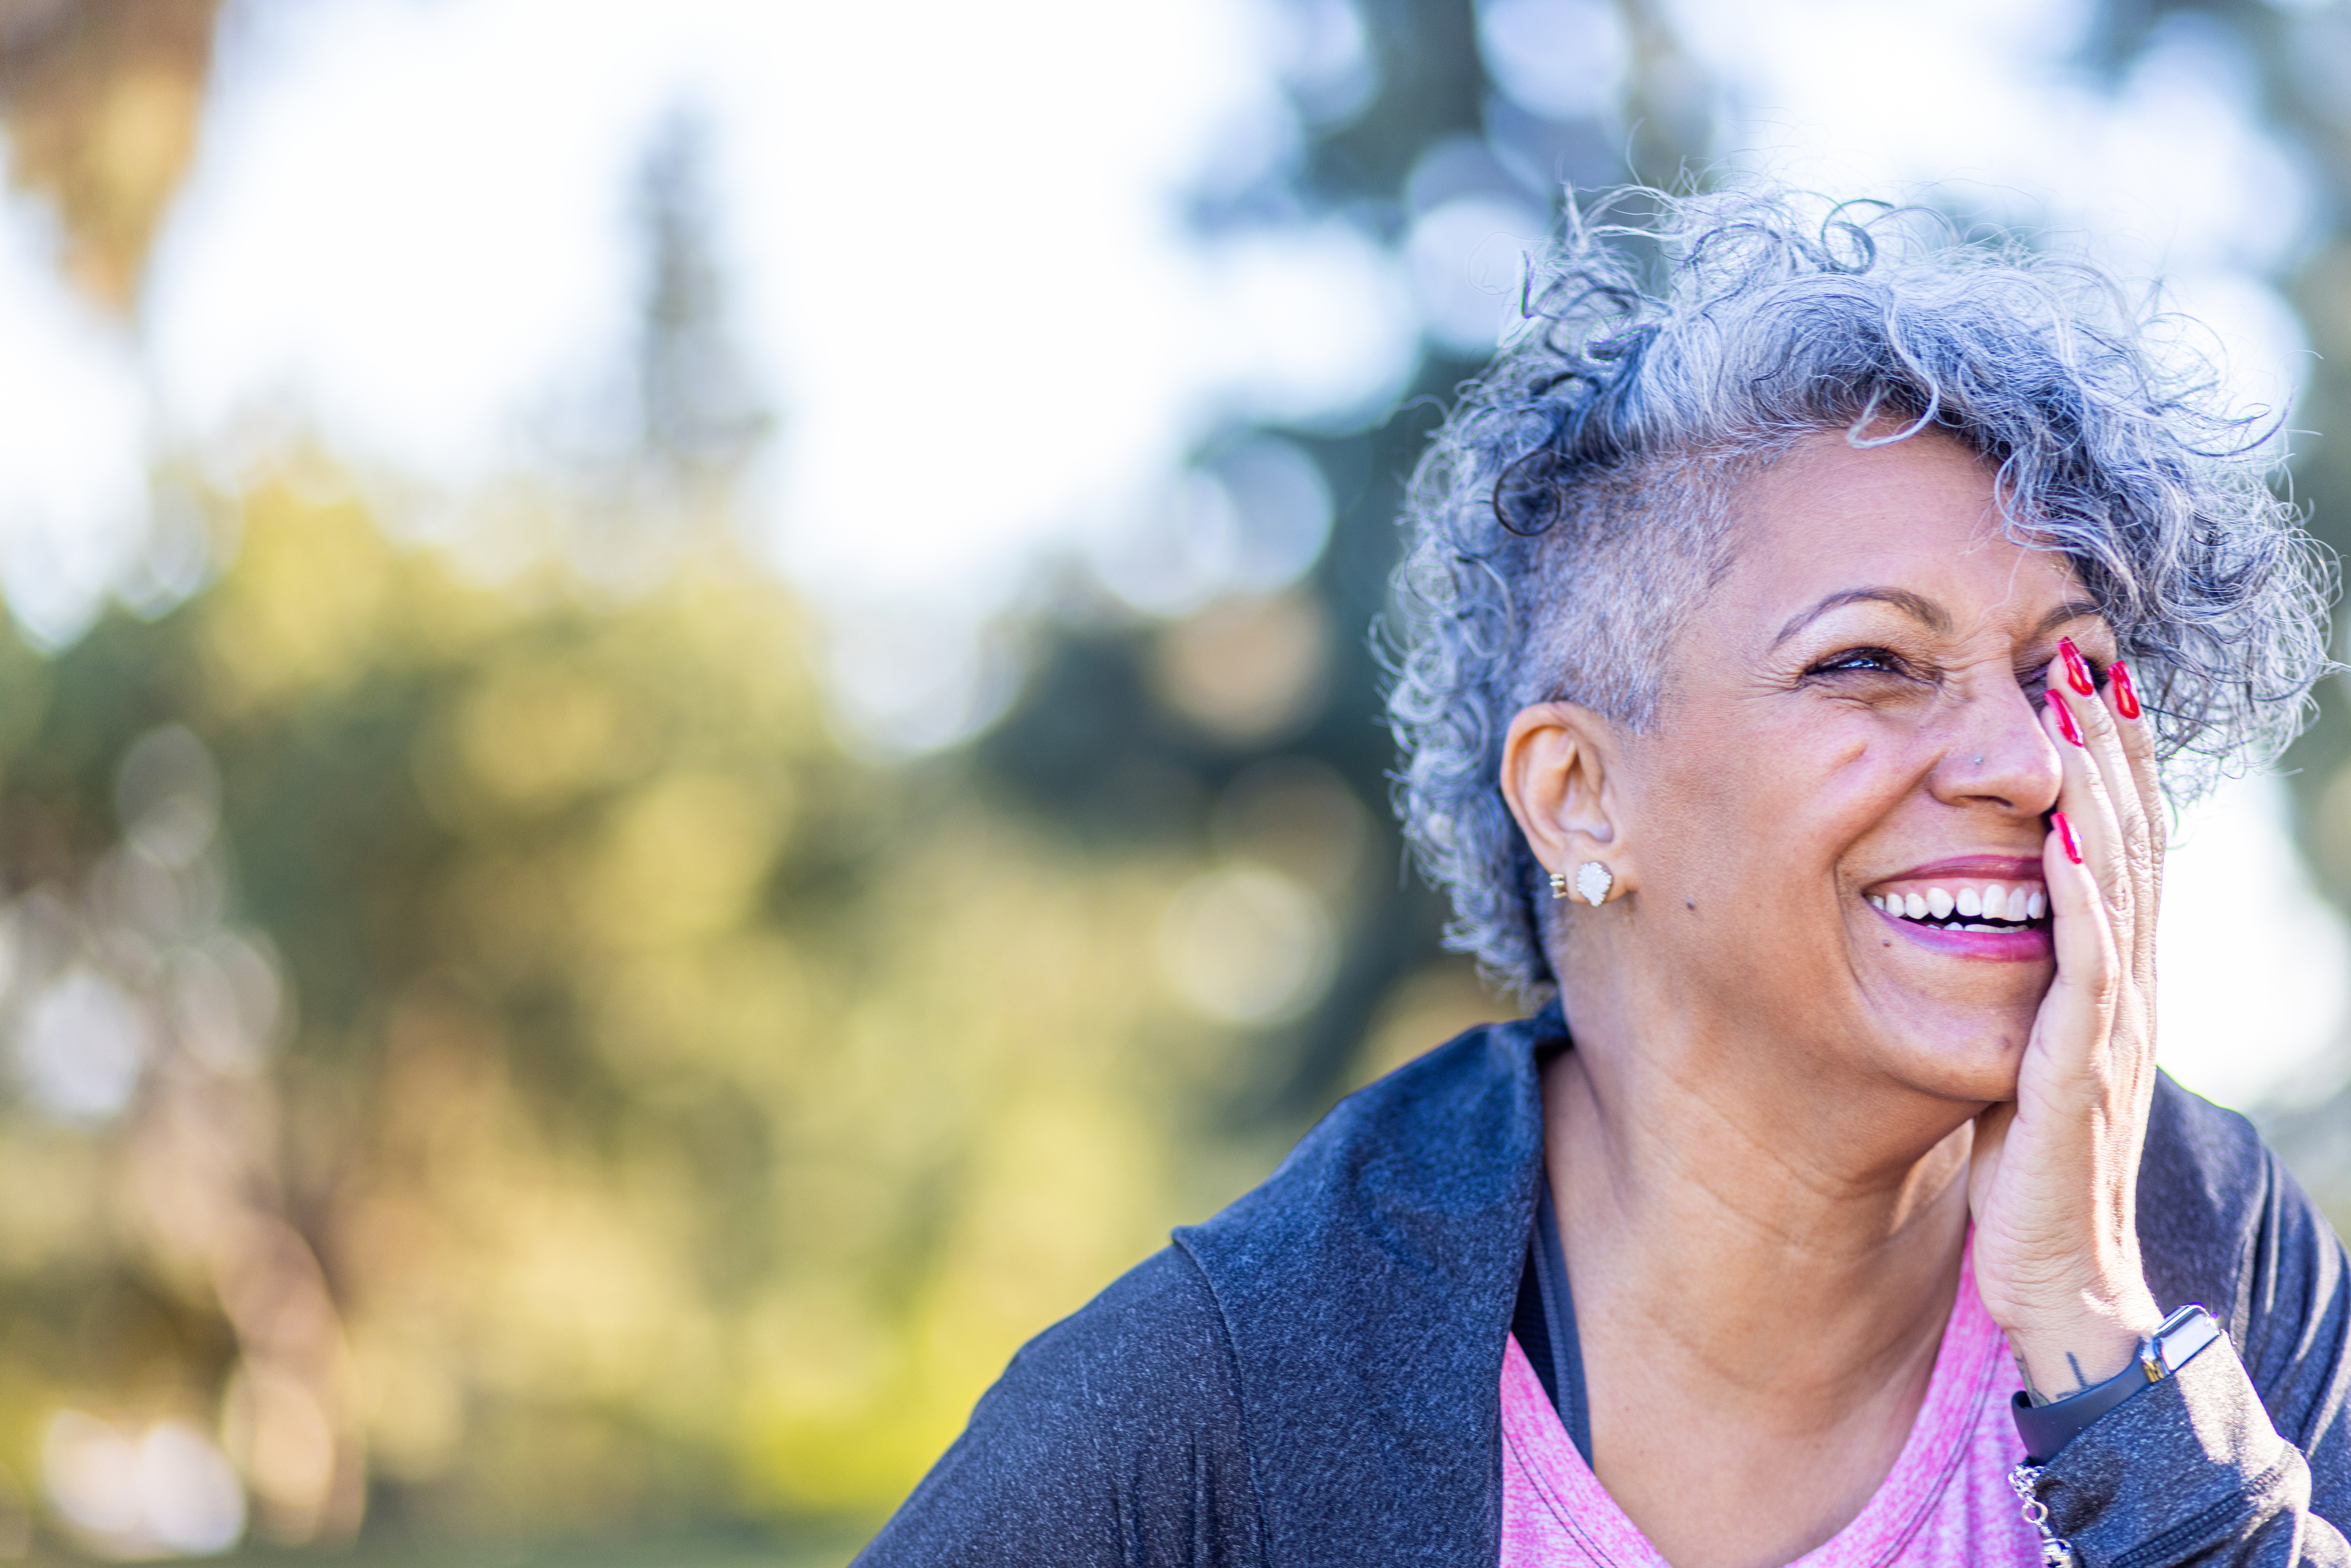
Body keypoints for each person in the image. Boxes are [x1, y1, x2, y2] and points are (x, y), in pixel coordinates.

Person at [854, 189, 2351, 1566]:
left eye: (2065, 672)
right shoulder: (1230, 1392)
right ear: (1577, 799)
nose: (2025, 763)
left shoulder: (2200, 1241)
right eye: (1869, 663)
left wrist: (2103, 1343)